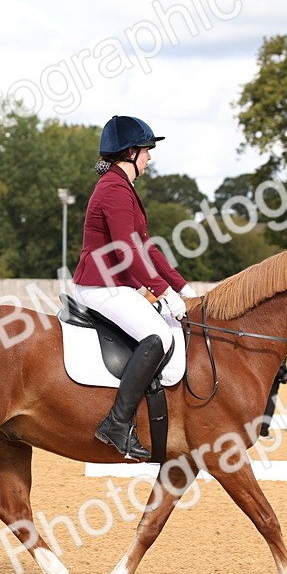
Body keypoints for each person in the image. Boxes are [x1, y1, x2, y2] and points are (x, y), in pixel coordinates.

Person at [72, 115, 197, 460]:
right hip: (101, 285)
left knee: (168, 330)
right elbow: (128, 250)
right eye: (146, 151)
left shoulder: (122, 188)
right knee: (158, 336)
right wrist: (163, 293)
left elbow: (147, 248)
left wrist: (182, 287)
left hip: (116, 284)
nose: (150, 157)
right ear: (130, 152)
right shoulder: (113, 189)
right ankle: (116, 422)